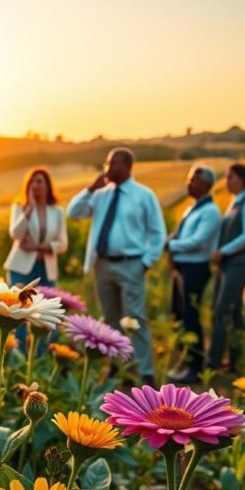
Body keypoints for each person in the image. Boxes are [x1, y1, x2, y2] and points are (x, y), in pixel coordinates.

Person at [68, 148, 166, 386]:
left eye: (114, 164)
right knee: (110, 319)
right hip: (102, 265)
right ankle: (116, 367)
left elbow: (157, 232)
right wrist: (90, 188)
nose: (108, 168)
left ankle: (146, 372)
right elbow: (74, 212)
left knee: (135, 318)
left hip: (131, 264)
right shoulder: (100, 195)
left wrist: (146, 262)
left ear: (128, 167)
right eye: (107, 163)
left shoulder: (144, 195)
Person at [165, 164, 222, 383]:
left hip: (195, 269)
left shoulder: (210, 212)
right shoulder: (193, 208)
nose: (188, 183)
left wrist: (171, 246)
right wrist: (168, 241)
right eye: (188, 179)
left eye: (193, 180)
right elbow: (178, 234)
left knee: (191, 317)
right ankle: (186, 360)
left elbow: (198, 241)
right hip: (182, 268)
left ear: (206, 184)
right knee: (179, 315)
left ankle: (195, 367)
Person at [208, 163, 245, 370]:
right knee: (234, 312)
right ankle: (234, 361)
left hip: (239, 264)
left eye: (230, 177)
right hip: (228, 263)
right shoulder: (235, 202)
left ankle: (213, 361)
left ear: (241, 179)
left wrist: (223, 251)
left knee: (222, 310)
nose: (227, 181)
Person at [4, 167, 68, 286]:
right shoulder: (19, 207)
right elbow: (15, 234)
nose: (34, 185)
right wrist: (29, 209)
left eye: (39, 181)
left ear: (47, 185)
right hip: (20, 269)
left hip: (47, 271)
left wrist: (38, 246)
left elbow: (63, 244)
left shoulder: (57, 211)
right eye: (31, 182)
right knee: (19, 304)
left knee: (47, 304)